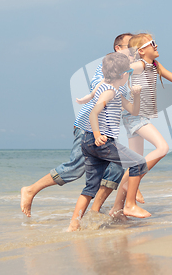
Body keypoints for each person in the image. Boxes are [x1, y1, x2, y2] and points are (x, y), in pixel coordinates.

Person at [20, 33, 134, 217]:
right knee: (76, 167)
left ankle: (95, 212)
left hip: (106, 131)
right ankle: (31, 190)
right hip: (88, 126)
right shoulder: (109, 67)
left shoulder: (128, 74)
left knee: (117, 167)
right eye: (131, 45)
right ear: (118, 49)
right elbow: (96, 84)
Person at [104, 33, 172, 217]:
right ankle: (130, 200)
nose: (156, 45)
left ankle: (117, 210)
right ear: (141, 50)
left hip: (137, 117)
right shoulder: (138, 65)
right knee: (162, 147)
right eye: (152, 43)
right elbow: (119, 72)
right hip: (135, 117)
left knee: (134, 163)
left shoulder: (154, 65)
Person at [67, 53, 150, 231]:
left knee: (91, 187)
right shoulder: (111, 91)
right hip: (101, 140)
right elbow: (93, 113)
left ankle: (74, 223)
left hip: (88, 142)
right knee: (139, 163)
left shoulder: (106, 88)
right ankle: (129, 205)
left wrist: (136, 96)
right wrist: (98, 135)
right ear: (123, 75)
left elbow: (133, 111)